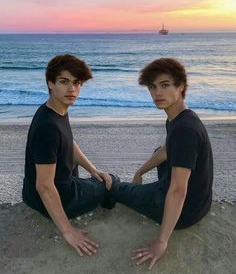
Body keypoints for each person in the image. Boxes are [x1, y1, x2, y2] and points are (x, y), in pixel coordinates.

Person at [111, 58, 213, 269]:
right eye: (152, 87)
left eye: (165, 85)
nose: (157, 93)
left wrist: (161, 241)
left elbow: (178, 191)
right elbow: (167, 151)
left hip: (186, 213)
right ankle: (153, 188)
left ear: (181, 86)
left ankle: (117, 185)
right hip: (201, 202)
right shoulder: (180, 117)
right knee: (160, 151)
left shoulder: (185, 130)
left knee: (118, 189)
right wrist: (140, 172)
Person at [22, 54, 116, 257]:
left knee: (91, 173)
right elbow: (44, 186)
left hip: (31, 193)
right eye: (64, 82)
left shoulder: (54, 109)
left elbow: (67, 143)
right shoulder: (48, 127)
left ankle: (87, 187)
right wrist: (68, 231)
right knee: (112, 182)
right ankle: (106, 208)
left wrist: (92, 169)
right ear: (50, 83)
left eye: (77, 83)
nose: (71, 89)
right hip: (53, 197)